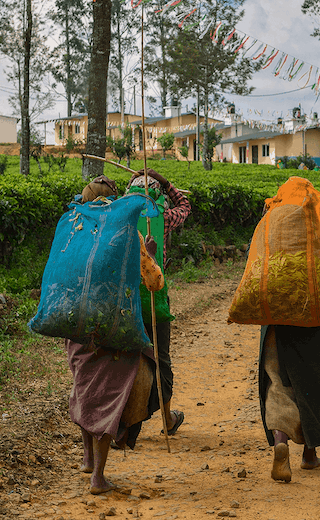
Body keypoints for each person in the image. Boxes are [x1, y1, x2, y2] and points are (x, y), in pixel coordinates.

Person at [67, 175, 166, 494]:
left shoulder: (73, 231)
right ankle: (98, 476)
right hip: (114, 325)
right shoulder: (128, 234)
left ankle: (86, 458)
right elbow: (153, 283)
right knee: (107, 393)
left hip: (76, 324)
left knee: (84, 386)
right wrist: (149, 253)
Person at [259, 212, 320, 483]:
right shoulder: (319, 217)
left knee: (278, 379)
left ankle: (281, 441)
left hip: (276, 313)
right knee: (312, 378)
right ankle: (309, 454)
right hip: (314, 309)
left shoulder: (271, 218)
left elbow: (252, 253)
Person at [126, 168, 192, 437]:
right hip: (156, 298)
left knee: (128, 359)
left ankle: (126, 425)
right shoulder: (164, 217)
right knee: (161, 358)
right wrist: (166, 181)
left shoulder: (122, 216)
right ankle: (167, 418)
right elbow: (185, 206)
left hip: (126, 302)